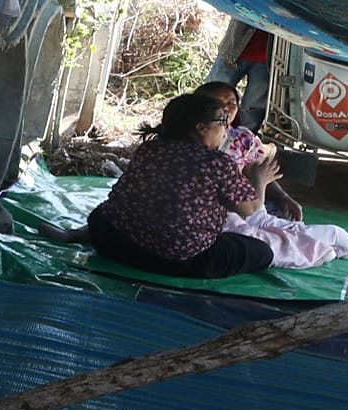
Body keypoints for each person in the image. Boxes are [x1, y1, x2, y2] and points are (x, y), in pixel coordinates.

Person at [84, 92, 279, 278]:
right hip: (176, 258)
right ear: (201, 127)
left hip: (115, 242)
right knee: (262, 252)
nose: (226, 129)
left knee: (106, 215)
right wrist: (260, 180)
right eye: (222, 121)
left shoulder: (150, 148)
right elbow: (249, 209)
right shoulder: (217, 161)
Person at [206, 0, 299, 132]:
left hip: (270, 60)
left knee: (253, 108)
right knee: (211, 98)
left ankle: (242, 143)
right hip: (234, 50)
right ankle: (203, 136)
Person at [192, 80, 303, 220]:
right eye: (217, 103)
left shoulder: (243, 138)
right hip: (219, 208)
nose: (225, 109)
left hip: (245, 202)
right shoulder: (192, 141)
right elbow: (250, 209)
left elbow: (258, 175)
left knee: (284, 213)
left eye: (231, 104)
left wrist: (282, 196)